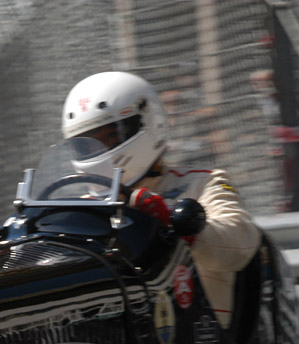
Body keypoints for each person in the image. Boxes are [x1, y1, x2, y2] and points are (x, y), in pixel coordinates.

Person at [60, 71, 261, 329]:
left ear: (146, 124)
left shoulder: (201, 183)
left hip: (196, 336)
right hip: (109, 332)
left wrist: (176, 222)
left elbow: (240, 244)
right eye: (87, 146)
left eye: (110, 136)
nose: (100, 151)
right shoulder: (80, 209)